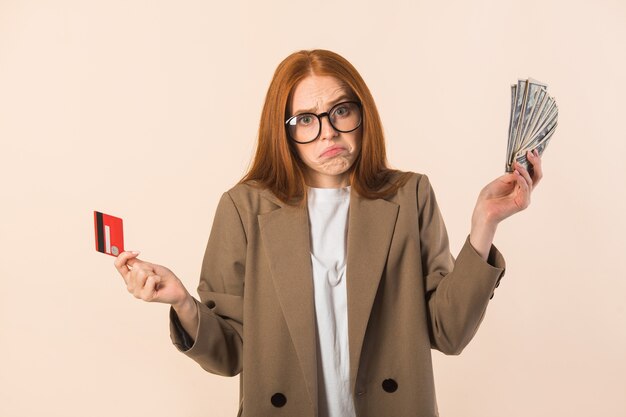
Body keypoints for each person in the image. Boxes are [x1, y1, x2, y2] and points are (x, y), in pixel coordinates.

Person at [114, 49, 542, 417]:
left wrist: (484, 223)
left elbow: (447, 332)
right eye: (305, 119)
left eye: (341, 110)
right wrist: (182, 301)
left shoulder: (410, 195)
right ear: (283, 130)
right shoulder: (243, 208)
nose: (329, 131)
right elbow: (229, 354)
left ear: (361, 111)